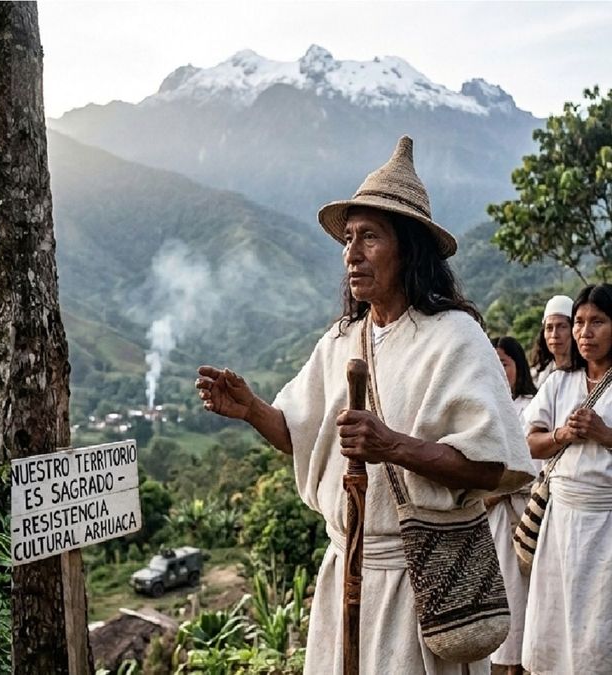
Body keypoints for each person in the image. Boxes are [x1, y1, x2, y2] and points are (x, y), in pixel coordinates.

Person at [195, 137, 534, 674]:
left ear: (410, 250)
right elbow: (303, 435)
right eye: (348, 239)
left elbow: (493, 464)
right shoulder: (339, 341)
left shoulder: (455, 338)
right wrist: (252, 409)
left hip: (417, 582)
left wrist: (392, 446)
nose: (351, 253)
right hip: (345, 571)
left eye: (369, 237)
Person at [521, 283, 612, 674]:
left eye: (598, 322)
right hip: (560, 522)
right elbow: (528, 443)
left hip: (605, 523)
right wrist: (563, 434)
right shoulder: (559, 382)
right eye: (579, 322)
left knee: (598, 628)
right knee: (556, 624)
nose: (584, 332)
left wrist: (603, 434)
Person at [486, 336, 538, 675]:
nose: (498, 370)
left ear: (518, 367)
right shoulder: (483, 407)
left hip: (521, 522)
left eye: (504, 363)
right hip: (487, 522)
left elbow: (535, 466)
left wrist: (503, 487)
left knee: (519, 603)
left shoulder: (530, 407)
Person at [531, 295, 574, 388]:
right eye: (549, 328)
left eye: (562, 326)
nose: (554, 335)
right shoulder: (536, 376)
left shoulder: (587, 374)